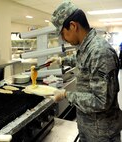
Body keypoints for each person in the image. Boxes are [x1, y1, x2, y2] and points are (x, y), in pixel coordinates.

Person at [47, 1, 122, 142]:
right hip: (88, 127)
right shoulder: (87, 47)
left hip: (101, 133)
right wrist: (61, 60)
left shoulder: (100, 51)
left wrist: (66, 94)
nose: (63, 39)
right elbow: (83, 61)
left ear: (73, 26)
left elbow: (101, 101)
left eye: (63, 34)